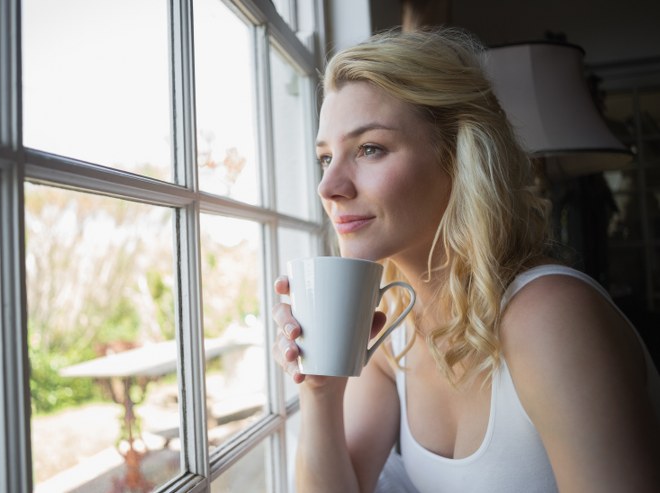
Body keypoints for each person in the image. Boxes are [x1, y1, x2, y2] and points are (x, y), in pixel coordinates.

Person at [271, 27, 660, 493]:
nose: (328, 186)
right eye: (325, 157)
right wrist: (319, 390)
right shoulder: (391, 325)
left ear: (458, 156)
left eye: (369, 149)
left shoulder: (551, 315)